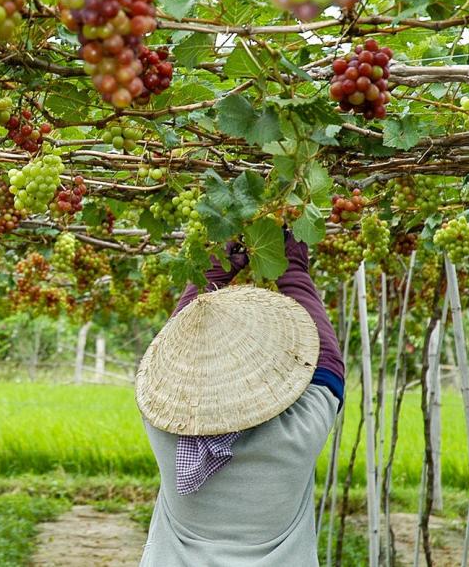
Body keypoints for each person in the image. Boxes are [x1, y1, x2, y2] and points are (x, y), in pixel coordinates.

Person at [135, 229, 345, 566]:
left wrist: (218, 266)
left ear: (185, 375)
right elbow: (328, 367)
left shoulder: (169, 434)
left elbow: (162, 357)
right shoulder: (295, 437)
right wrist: (289, 264)